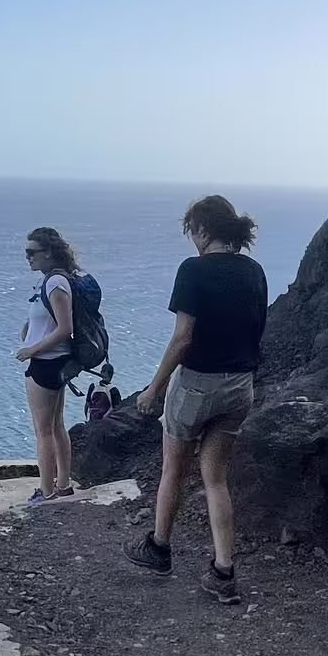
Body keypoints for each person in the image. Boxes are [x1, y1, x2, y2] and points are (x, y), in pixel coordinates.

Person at [124, 195, 268, 602]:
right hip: (240, 384)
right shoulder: (254, 271)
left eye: (191, 230)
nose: (191, 239)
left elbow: (183, 337)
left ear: (203, 229)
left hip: (197, 385)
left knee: (174, 469)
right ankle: (224, 572)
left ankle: (159, 548)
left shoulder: (193, 270)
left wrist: (154, 387)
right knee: (216, 478)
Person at [15, 226, 78, 503]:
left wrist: (31, 349)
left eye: (32, 252)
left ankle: (46, 491)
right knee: (56, 426)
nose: (28, 257)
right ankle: (62, 484)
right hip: (56, 362)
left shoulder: (54, 283)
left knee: (43, 432)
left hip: (45, 364)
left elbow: (65, 329)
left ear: (48, 253)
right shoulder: (55, 281)